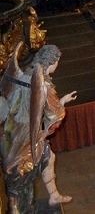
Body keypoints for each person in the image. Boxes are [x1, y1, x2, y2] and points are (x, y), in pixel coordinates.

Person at [0, 44, 77, 211]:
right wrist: (63, 102)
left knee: (47, 158)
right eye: (57, 61)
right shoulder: (44, 85)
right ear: (53, 62)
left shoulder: (24, 74)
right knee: (21, 174)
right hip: (28, 136)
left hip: (12, 130)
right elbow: (54, 115)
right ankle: (16, 208)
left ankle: (53, 196)